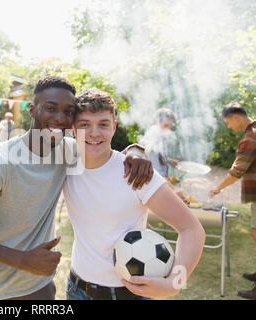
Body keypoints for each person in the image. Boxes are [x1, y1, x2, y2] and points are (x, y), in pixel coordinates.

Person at [0, 76, 154, 300]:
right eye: (50, 108)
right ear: (32, 110)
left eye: (68, 111)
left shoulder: (69, 150)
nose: (60, 118)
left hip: (42, 285)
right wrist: (22, 260)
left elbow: (105, 152)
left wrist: (136, 150)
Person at [64, 88, 205, 300]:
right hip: (77, 289)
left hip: (130, 293)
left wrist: (174, 284)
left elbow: (191, 229)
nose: (94, 133)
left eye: (103, 124)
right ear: (73, 129)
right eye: (84, 125)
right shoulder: (64, 162)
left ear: (114, 127)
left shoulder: (135, 172)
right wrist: (136, 147)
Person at [210, 102, 256, 300]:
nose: (229, 126)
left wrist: (218, 188)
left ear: (236, 117)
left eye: (228, 122)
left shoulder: (250, 137)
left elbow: (237, 170)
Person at [140, 108, 185, 200]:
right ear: (157, 121)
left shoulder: (161, 136)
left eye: (170, 124)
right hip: (152, 187)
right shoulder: (154, 138)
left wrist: (169, 160)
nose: (169, 127)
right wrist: (175, 190)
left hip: (158, 184)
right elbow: (156, 173)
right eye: (166, 124)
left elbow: (158, 156)